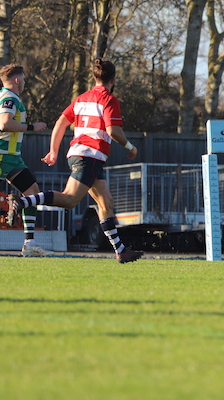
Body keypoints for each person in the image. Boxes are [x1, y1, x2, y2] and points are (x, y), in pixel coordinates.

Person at [7, 59, 144, 264]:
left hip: (83, 155)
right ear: (113, 80)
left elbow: (61, 122)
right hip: (90, 155)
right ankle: (22, 201)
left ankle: (121, 250)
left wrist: (54, 151)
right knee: (69, 200)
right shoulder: (109, 100)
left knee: (105, 202)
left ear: (95, 77)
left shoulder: (81, 99)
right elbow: (113, 131)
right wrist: (130, 147)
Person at [0, 64, 50, 256]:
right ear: (16, 80)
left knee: (32, 193)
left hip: (11, 157)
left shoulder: (0, 95)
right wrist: (32, 127)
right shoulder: (10, 98)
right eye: (23, 78)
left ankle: (29, 243)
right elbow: (4, 123)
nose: (24, 82)